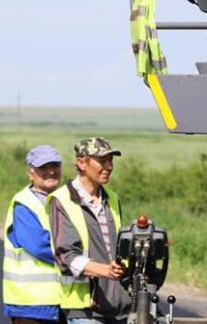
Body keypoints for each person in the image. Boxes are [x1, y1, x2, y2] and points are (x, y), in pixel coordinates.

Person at [48, 137, 131, 323]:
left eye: (111, 161)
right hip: (84, 310)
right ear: (81, 163)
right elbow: (65, 256)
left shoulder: (112, 198)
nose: (109, 166)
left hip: (117, 305)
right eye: (102, 161)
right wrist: (104, 270)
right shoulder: (62, 200)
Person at [3, 145, 64, 324]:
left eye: (55, 166)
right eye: (43, 168)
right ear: (31, 173)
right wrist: (78, 260)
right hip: (30, 304)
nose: (51, 171)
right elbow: (39, 245)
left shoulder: (64, 201)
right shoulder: (24, 204)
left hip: (61, 301)